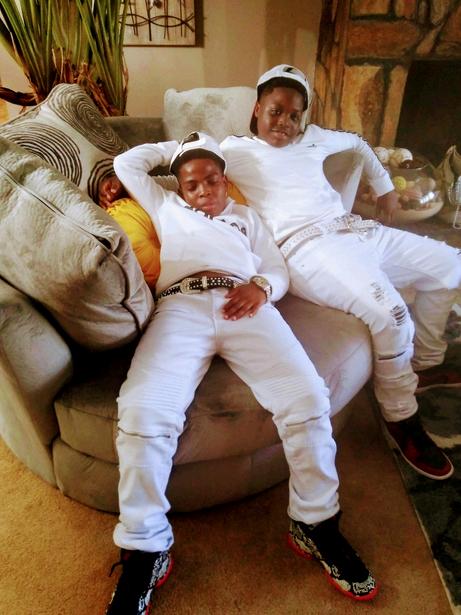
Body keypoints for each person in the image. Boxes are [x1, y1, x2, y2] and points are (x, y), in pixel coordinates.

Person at [104, 132, 380, 613]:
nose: (204, 190)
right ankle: (146, 547)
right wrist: (181, 149)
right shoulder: (166, 206)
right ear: (179, 187)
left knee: (307, 399)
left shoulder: (247, 218)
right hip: (180, 306)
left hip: (246, 305)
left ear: (225, 179)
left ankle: (314, 522)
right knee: (144, 412)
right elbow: (128, 164)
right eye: (192, 183)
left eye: (212, 179)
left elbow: (277, 270)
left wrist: (261, 288)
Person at [220, 63, 461, 485]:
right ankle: (400, 415)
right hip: (308, 249)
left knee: (450, 267)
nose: (285, 122)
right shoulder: (231, 149)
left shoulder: (315, 138)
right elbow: (177, 160)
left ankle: (421, 365)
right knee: (392, 314)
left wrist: (385, 187)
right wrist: (113, 179)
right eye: (276, 111)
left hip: (356, 229)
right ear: (257, 108)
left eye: (294, 115)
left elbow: (360, 143)